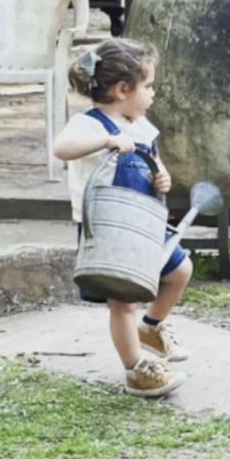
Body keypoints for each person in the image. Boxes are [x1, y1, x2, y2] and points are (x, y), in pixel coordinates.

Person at [53, 38, 192, 398]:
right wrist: (105, 142)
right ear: (122, 89)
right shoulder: (91, 124)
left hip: (143, 223)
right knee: (123, 300)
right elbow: (61, 149)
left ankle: (152, 326)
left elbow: (153, 162)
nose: (153, 94)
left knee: (180, 271)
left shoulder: (141, 125)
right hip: (107, 228)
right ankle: (136, 370)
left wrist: (163, 177)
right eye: (148, 87)